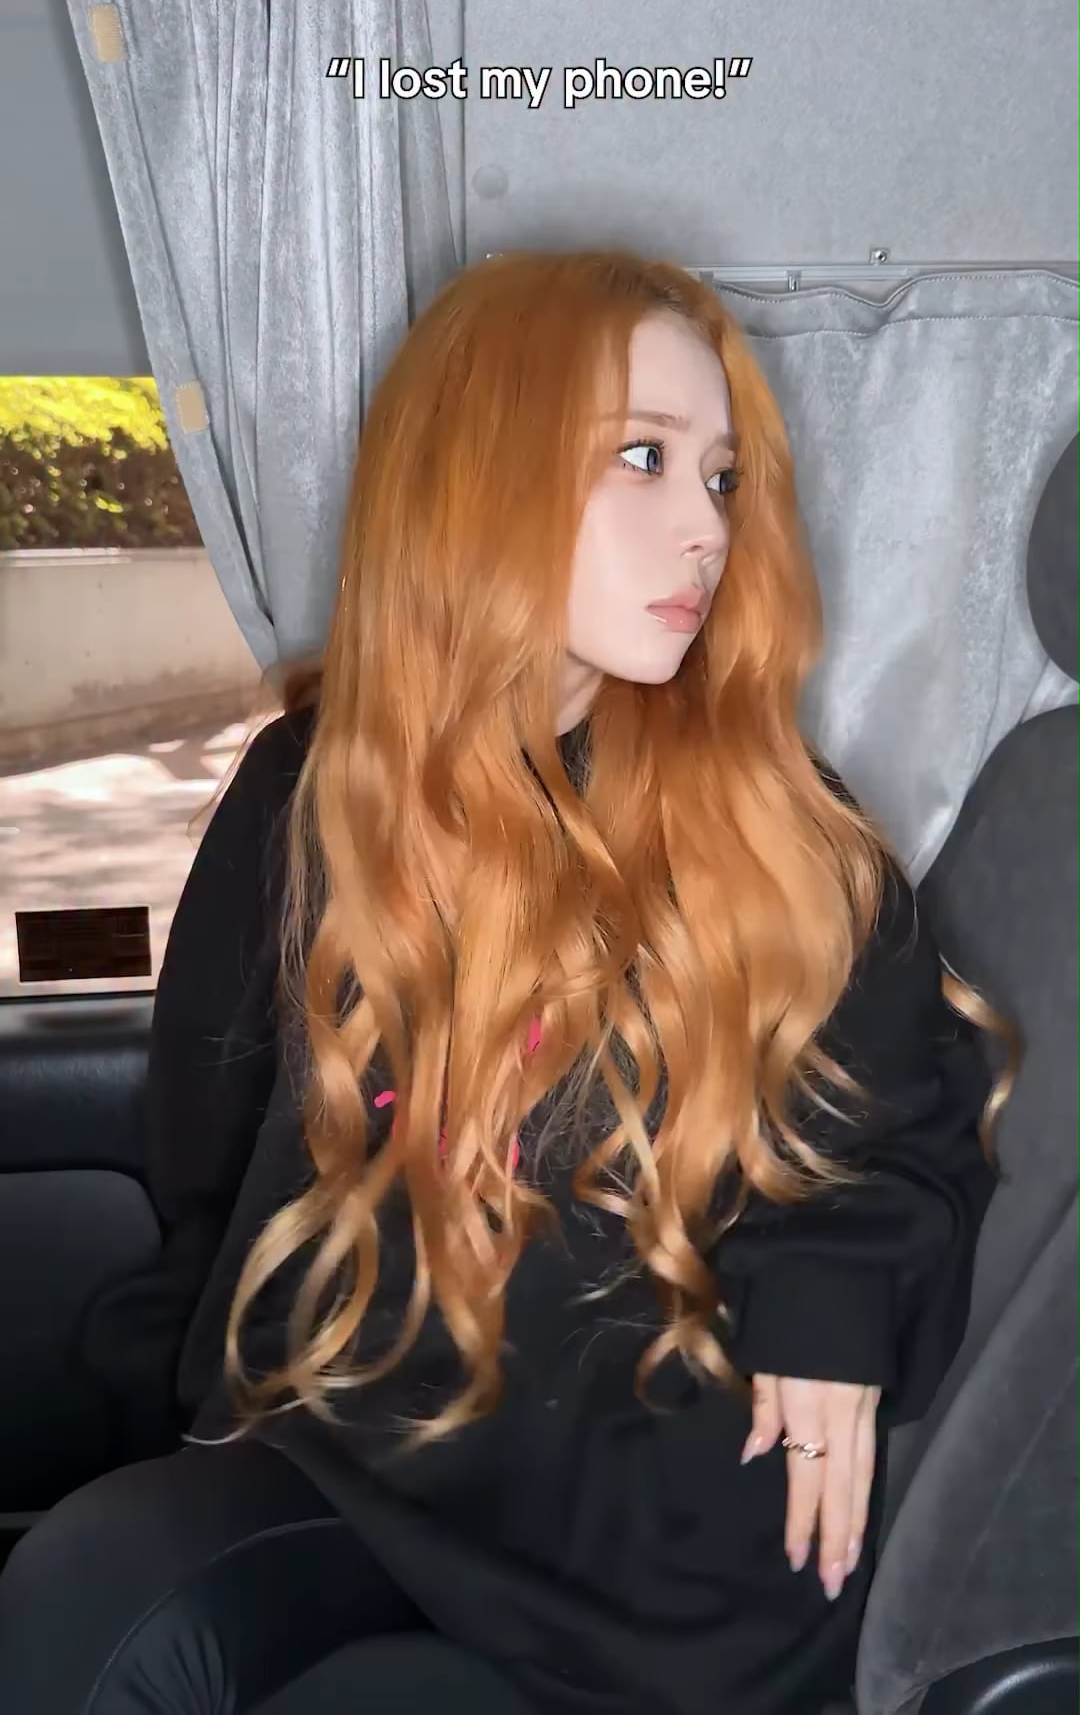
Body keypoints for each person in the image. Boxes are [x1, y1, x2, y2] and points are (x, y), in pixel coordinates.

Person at [0, 249, 1015, 1715]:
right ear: (478, 474)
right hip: (354, 1453)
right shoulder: (309, 793)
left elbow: (906, 1115)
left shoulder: (775, 823)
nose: (706, 528)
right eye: (644, 458)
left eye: (722, 479)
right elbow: (211, 1165)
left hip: (652, 1523)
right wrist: (196, 1397)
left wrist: (834, 1308)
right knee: (85, 1594)